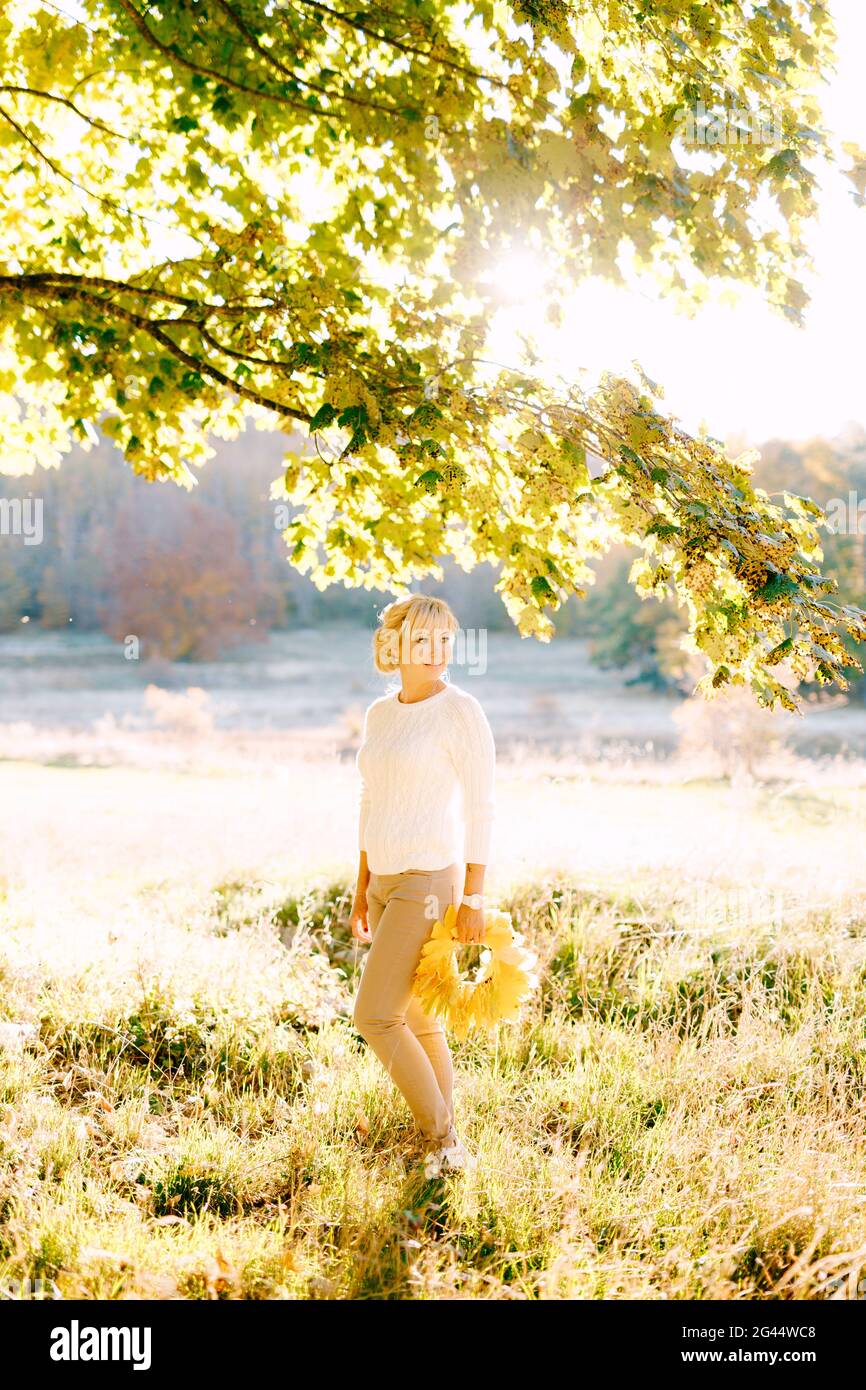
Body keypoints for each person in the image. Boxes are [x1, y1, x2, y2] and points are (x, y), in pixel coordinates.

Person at [349, 594, 496, 1173]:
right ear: (396, 647)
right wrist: (362, 886)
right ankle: (448, 1141)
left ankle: (441, 1143)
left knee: (375, 1016)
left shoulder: (460, 711)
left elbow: (482, 807)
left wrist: (474, 898)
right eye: (423, 641)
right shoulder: (380, 715)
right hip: (384, 880)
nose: (438, 653)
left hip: (430, 880)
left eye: (444, 641)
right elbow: (370, 800)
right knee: (415, 1017)